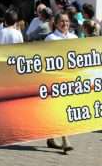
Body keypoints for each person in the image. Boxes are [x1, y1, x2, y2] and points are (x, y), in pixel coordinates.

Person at [45, 12, 77, 154]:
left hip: (71, 80)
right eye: (62, 21)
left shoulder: (74, 38)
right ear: (56, 23)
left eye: (67, 21)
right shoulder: (50, 39)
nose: (65, 24)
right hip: (55, 80)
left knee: (63, 109)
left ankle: (51, 138)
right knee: (60, 109)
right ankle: (65, 139)